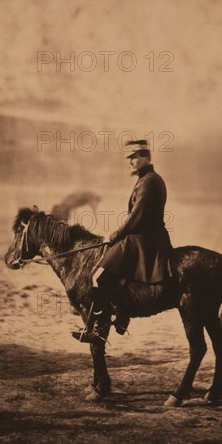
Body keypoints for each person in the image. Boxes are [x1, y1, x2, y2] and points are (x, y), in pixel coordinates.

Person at [72, 139, 172, 343]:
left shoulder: (151, 181)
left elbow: (137, 217)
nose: (130, 162)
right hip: (142, 236)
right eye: (129, 158)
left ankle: (100, 329)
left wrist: (114, 235)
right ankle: (123, 315)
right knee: (116, 274)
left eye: (134, 157)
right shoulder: (146, 179)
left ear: (145, 157)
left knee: (97, 276)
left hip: (144, 239)